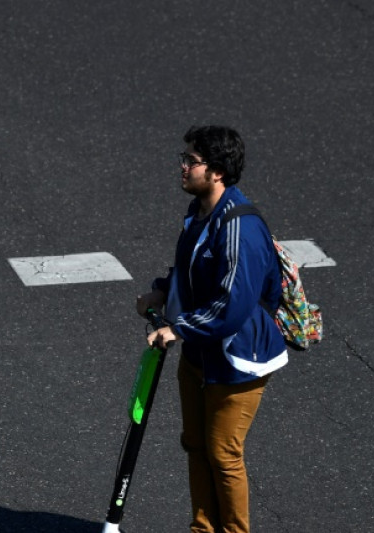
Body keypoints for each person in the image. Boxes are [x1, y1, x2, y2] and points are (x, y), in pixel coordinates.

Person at [136, 125, 288, 532]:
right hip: (201, 353)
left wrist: (178, 328)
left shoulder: (239, 226)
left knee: (223, 454)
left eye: (191, 161)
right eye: (183, 158)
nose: (182, 167)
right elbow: (193, 268)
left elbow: (233, 303)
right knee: (196, 446)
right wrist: (162, 291)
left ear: (216, 171)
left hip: (238, 359)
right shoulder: (200, 212)